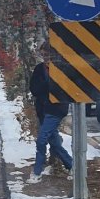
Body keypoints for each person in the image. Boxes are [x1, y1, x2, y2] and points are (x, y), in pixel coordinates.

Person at [27, 43, 74, 183]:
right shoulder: (39, 69)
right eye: (43, 54)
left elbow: (65, 89)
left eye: (48, 54)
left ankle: (37, 171)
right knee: (54, 142)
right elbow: (34, 89)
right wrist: (46, 86)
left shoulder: (61, 69)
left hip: (56, 109)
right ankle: (72, 165)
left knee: (41, 140)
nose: (46, 57)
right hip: (43, 109)